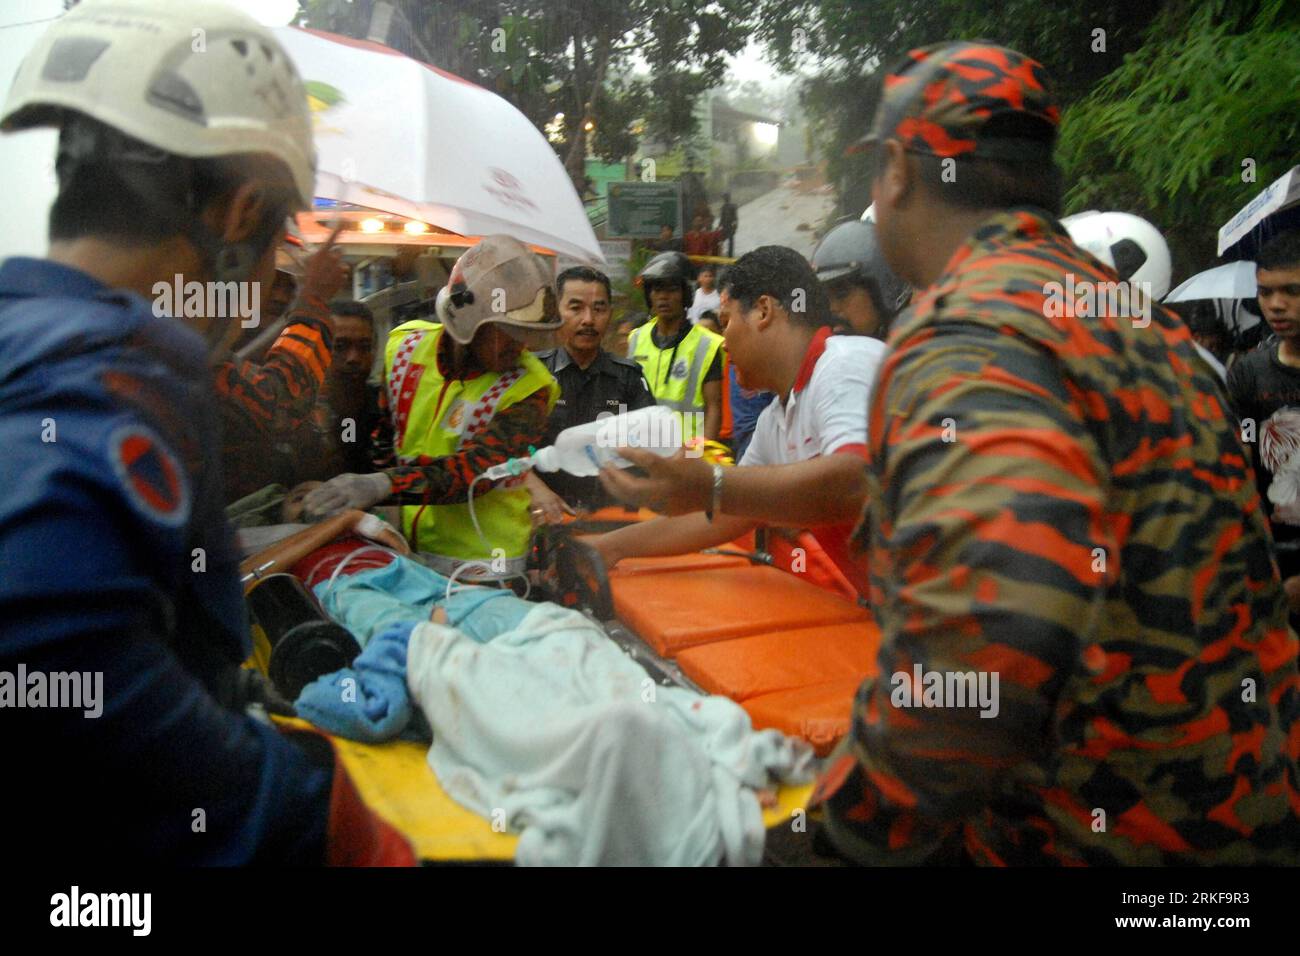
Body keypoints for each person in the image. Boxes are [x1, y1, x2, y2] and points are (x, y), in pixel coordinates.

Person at [817, 40, 1299, 865]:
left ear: (895, 170)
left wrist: (842, 828)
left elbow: (993, 636)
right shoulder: (1149, 328)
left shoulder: (967, 330)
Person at [0, 0, 411, 865]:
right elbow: (49, 667)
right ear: (237, 217)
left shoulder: (32, 337)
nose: (268, 279)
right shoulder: (103, 388)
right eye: (279, 242)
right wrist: (305, 803)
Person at [587, 246, 886, 597]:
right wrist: (610, 547)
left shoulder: (845, 364)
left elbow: (856, 483)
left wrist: (711, 483)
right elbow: (722, 515)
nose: (723, 342)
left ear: (763, 311)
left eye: (727, 321)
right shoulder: (774, 421)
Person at [303, 236, 562, 582]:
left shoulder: (532, 387)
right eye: (506, 331)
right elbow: (386, 431)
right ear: (465, 319)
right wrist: (369, 501)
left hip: (486, 570)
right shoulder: (404, 347)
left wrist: (381, 485)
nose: (520, 345)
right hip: (405, 552)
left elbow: (474, 473)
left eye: (525, 332)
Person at [214, 240, 349, 502]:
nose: (279, 297)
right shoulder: (190, 350)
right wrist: (315, 299)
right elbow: (280, 404)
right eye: (272, 281)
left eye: (291, 286)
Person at [527, 266, 655, 519]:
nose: (588, 319)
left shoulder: (629, 377)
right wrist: (535, 488)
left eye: (599, 309)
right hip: (544, 515)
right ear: (556, 312)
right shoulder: (532, 375)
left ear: (609, 313)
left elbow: (651, 447)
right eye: (575, 308)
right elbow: (504, 452)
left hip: (609, 517)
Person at [1227, 231, 1300, 609]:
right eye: (1265, 293)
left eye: (1291, 291)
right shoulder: (1249, 375)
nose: (1276, 305)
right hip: (1268, 560)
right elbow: (1238, 467)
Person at [627, 251, 725, 443]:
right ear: (649, 296)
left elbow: (714, 408)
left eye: (671, 289)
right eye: (656, 290)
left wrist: (701, 458)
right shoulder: (636, 339)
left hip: (685, 457)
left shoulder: (708, 345)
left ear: (686, 294)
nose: (663, 297)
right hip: (642, 452)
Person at [306, 299, 382, 477]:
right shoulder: (299, 415)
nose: (353, 358)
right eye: (340, 347)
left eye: (364, 347)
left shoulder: (389, 409)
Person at [810, 217, 910, 338]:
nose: (832, 308)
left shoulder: (923, 349)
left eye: (841, 293)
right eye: (824, 298)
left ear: (884, 291)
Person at [720, 193, 739, 257]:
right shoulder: (723, 207)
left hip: (730, 226)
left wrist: (735, 226)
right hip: (725, 226)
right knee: (721, 241)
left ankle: (730, 255)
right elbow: (722, 218)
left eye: (726, 197)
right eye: (725, 198)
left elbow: (735, 218)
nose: (725, 199)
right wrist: (719, 226)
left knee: (730, 242)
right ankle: (721, 253)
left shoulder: (732, 206)